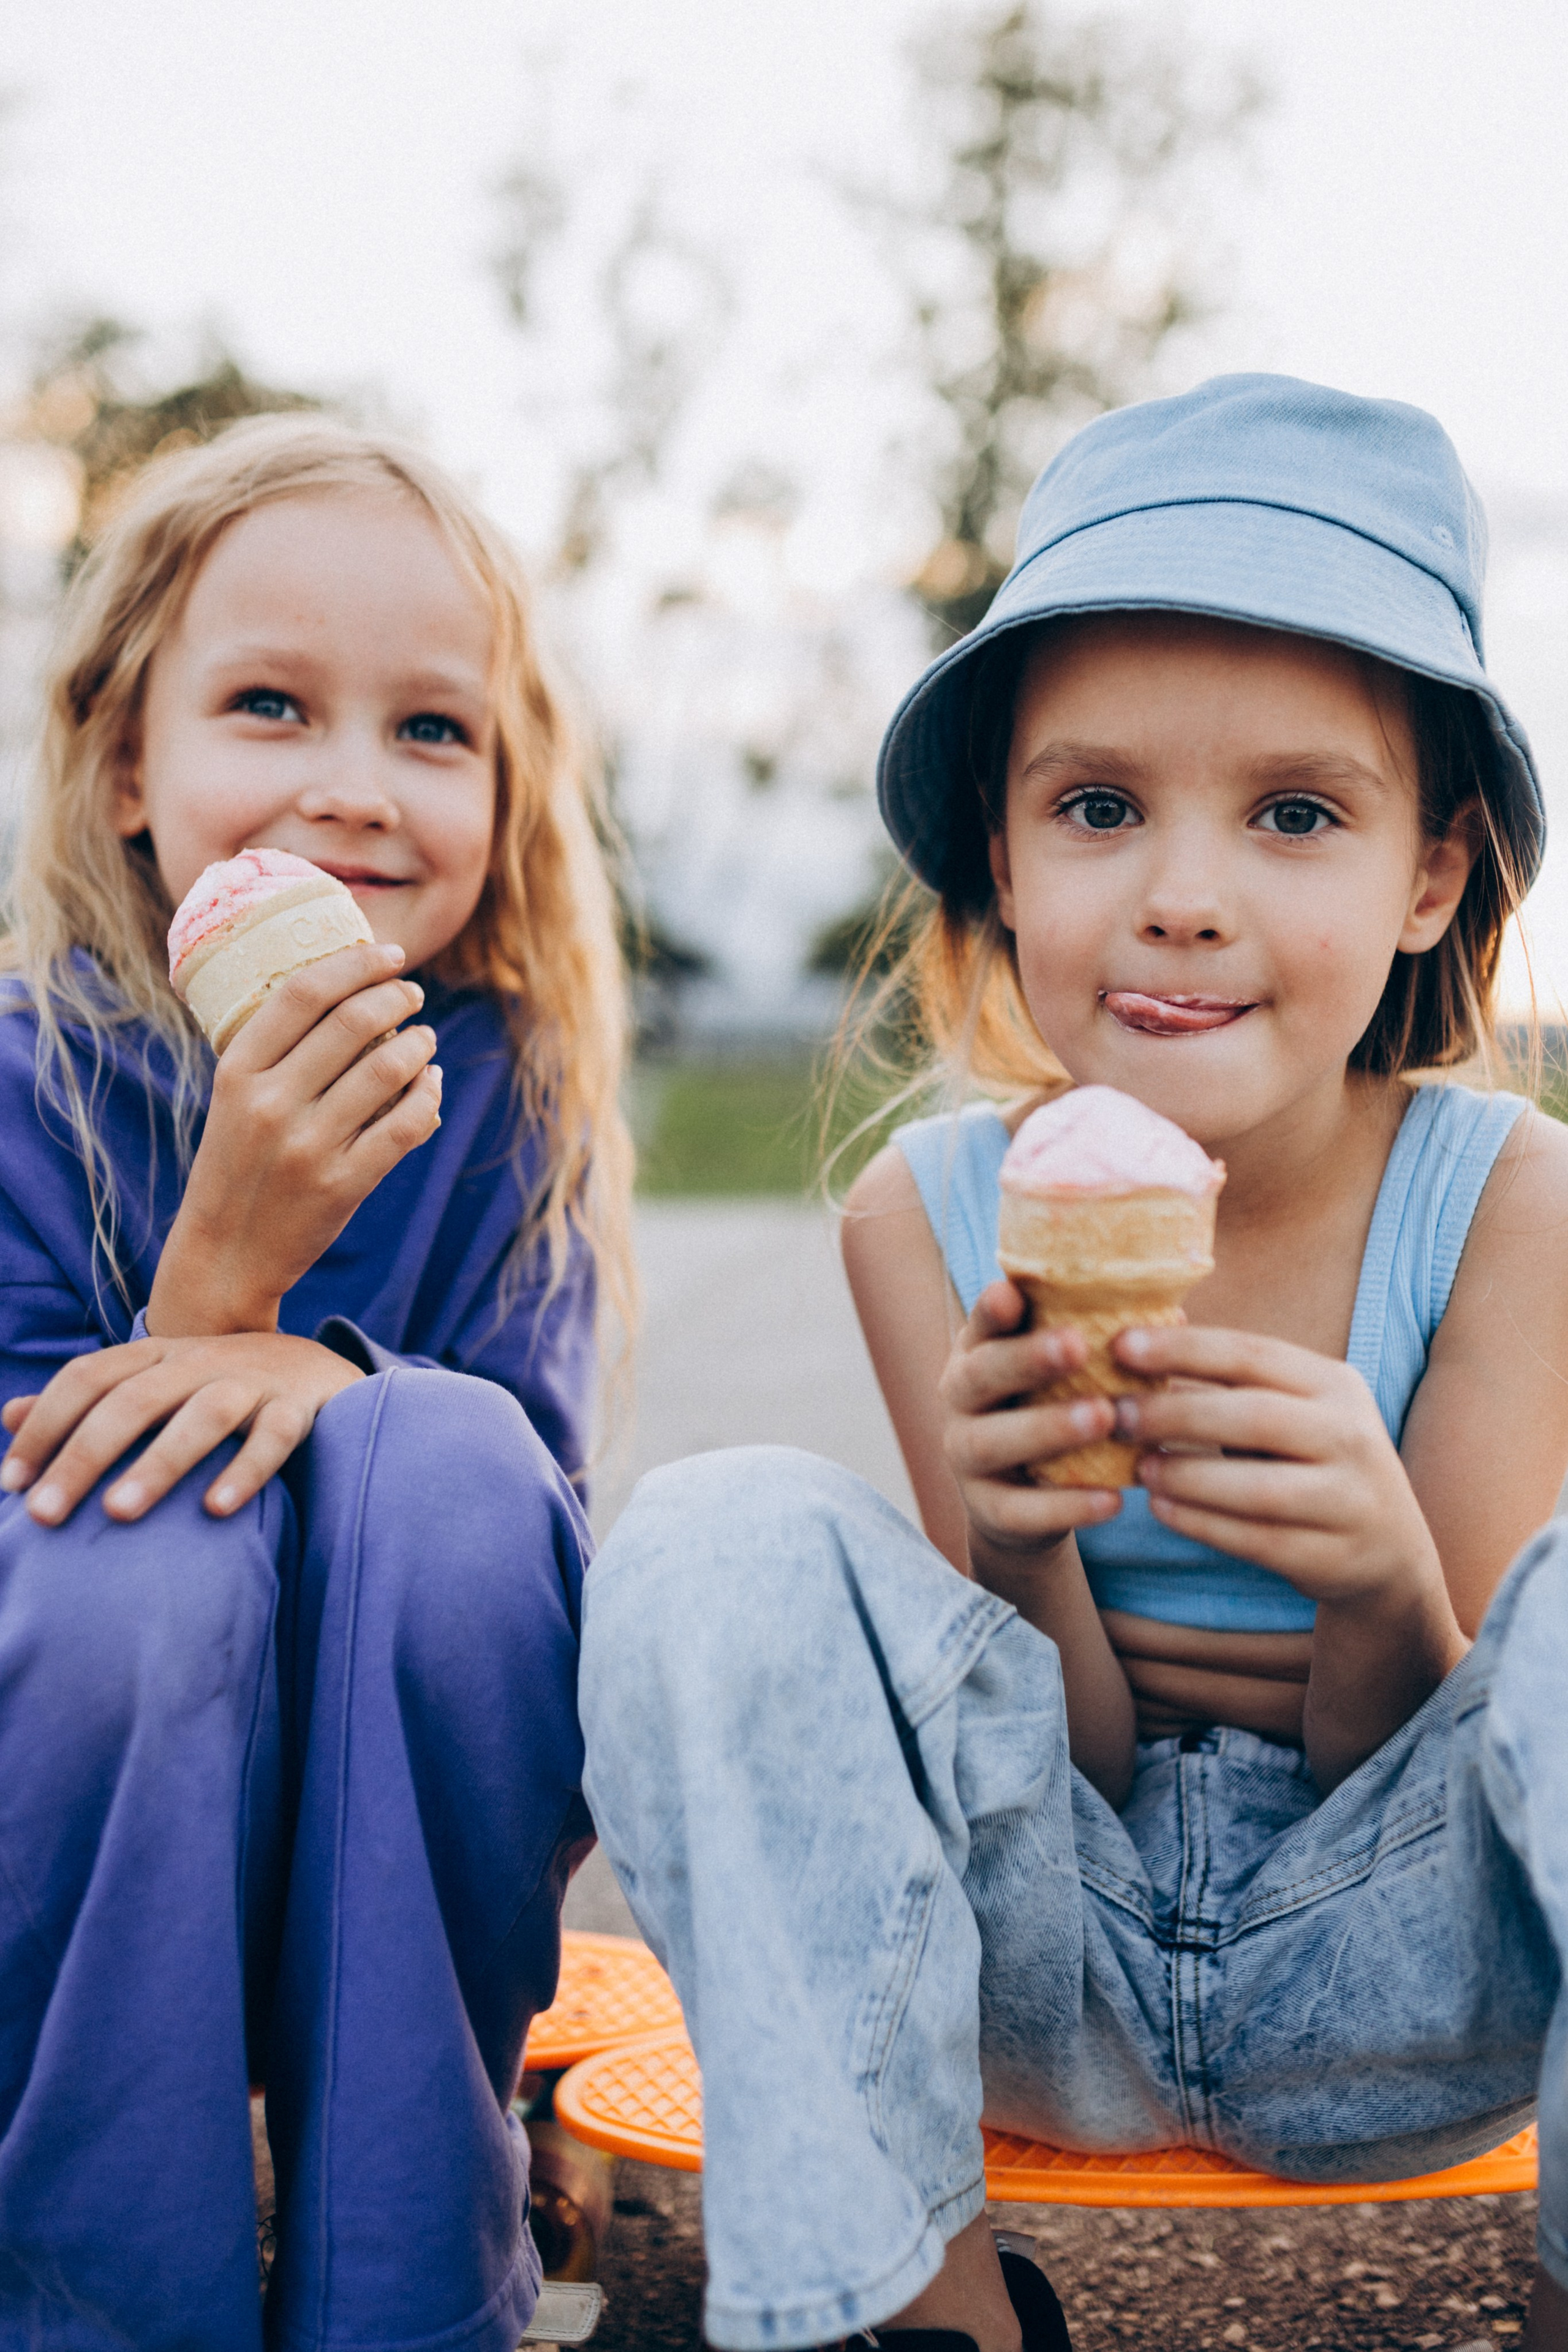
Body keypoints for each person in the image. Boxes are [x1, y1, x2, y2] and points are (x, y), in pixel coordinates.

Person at [579, 377, 1568, 2352]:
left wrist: (1377, 1571)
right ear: (1008, 864)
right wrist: (1023, 1555)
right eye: (1099, 808)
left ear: (1432, 879)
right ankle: (919, 2315)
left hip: (1410, 1985)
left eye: (1295, 815)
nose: (1180, 892)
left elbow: (1461, 1769)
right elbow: (1061, 1765)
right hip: (1039, 1982)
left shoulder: (1513, 1202)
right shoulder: (924, 1222)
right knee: (713, 1537)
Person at [0, 416, 632, 2352]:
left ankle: (412, 2289)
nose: (355, 789)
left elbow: (526, 1548)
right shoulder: (27, 1077)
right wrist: (218, 1281)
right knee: (139, 1546)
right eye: (271, 706)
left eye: (432, 732)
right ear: (128, 762)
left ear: (508, 796)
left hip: (403, 1822)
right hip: (84, 1816)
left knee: (445, 1460)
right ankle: (107, 2302)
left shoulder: (510, 1089)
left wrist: (330, 1381)